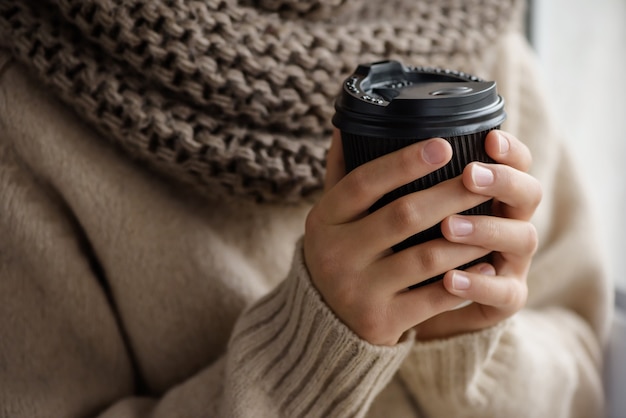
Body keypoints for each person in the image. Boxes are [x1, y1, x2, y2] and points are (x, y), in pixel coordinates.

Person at [0, 0, 613, 417]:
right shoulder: (25, 110)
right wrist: (309, 352)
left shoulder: (478, 35)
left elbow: (585, 376)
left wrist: (466, 349)